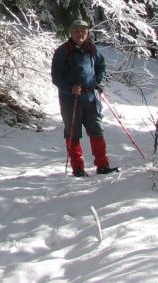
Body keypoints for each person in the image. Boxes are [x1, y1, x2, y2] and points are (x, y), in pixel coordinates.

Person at [51, 18, 118, 177]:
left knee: (97, 131)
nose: (80, 33)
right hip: (70, 100)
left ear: (87, 33)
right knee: (73, 133)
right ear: (71, 32)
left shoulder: (92, 49)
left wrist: (97, 80)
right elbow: (56, 76)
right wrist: (70, 88)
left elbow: (101, 65)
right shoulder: (62, 51)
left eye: (83, 31)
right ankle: (78, 168)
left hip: (90, 98)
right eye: (77, 30)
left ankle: (102, 165)